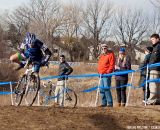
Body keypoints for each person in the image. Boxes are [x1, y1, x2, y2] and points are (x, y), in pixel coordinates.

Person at [147, 34, 160, 105]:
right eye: (151, 40)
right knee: (157, 85)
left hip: (155, 68)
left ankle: (152, 99)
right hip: (156, 68)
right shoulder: (156, 47)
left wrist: (149, 64)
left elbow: (155, 58)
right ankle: (157, 99)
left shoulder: (157, 47)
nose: (152, 41)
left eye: (153, 39)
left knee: (153, 85)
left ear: (157, 39)